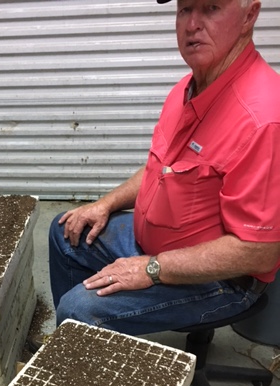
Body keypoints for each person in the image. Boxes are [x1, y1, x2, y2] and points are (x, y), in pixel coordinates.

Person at [49, 0, 280, 336]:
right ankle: (80, 346)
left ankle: (82, 347)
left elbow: (258, 252)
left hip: (224, 281)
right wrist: (105, 204)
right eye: (185, 9)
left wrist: (152, 268)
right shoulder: (185, 89)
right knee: (66, 231)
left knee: (78, 310)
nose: (192, 24)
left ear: (249, 16)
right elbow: (162, 169)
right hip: (156, 249)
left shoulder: (263, 120)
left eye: (211, 8)